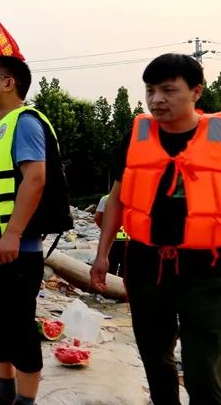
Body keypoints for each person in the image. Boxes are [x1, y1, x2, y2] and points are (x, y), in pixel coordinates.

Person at [90, 53, 221, 404]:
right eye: (150, 90)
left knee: (202, 369)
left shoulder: (219, 136)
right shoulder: (136, 137)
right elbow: (116, 199)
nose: (156, 100)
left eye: (167, 90)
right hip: (146, 263)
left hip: (208, 267)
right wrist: (102, 254)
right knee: (154, 354)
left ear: (196, 92)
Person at [0, 56, 72, 405]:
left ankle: (25, 399)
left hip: (14, 249)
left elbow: (35, 178)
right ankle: (2, 388)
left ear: (8, 83)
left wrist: (13, 233)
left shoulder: (24, 123)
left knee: (18, 326)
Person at [93, 194, 128, 276]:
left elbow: (97, 218)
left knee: (110, 264)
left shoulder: (105, 198)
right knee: (125, 267)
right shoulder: (132, 198)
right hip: (127, 237)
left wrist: (106, 230)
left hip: (111, 238)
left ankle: (107, 284)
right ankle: (120, 287)